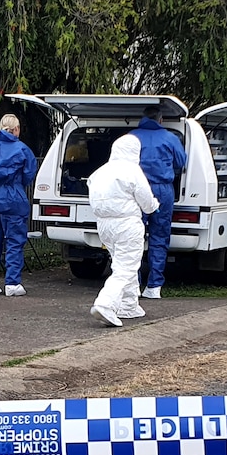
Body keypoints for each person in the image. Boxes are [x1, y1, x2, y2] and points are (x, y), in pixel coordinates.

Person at [88, 134, 160, 327]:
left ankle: (129, 305)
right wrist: (154, 206)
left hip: (104, 225)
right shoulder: (132, 171)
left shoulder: (99, 172)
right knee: (126, 268)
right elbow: (146, 201)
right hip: (127, 224)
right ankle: (105, 304)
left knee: (121, 264)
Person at [0, 114, 39, 297]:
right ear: (17, 129)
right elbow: (29, 173)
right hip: (13, 195)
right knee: (14, 239)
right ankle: (12, 282)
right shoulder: (22, 149)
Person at [131, 105, 187, 300]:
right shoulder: (170, 138)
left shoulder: (132, 136)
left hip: (137, 189)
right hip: (163, 189)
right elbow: (181, 162)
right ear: (161, 119)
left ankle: (133, 284)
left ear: (143, 118)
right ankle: (154, 286)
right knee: (159, 236)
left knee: (134, 237)